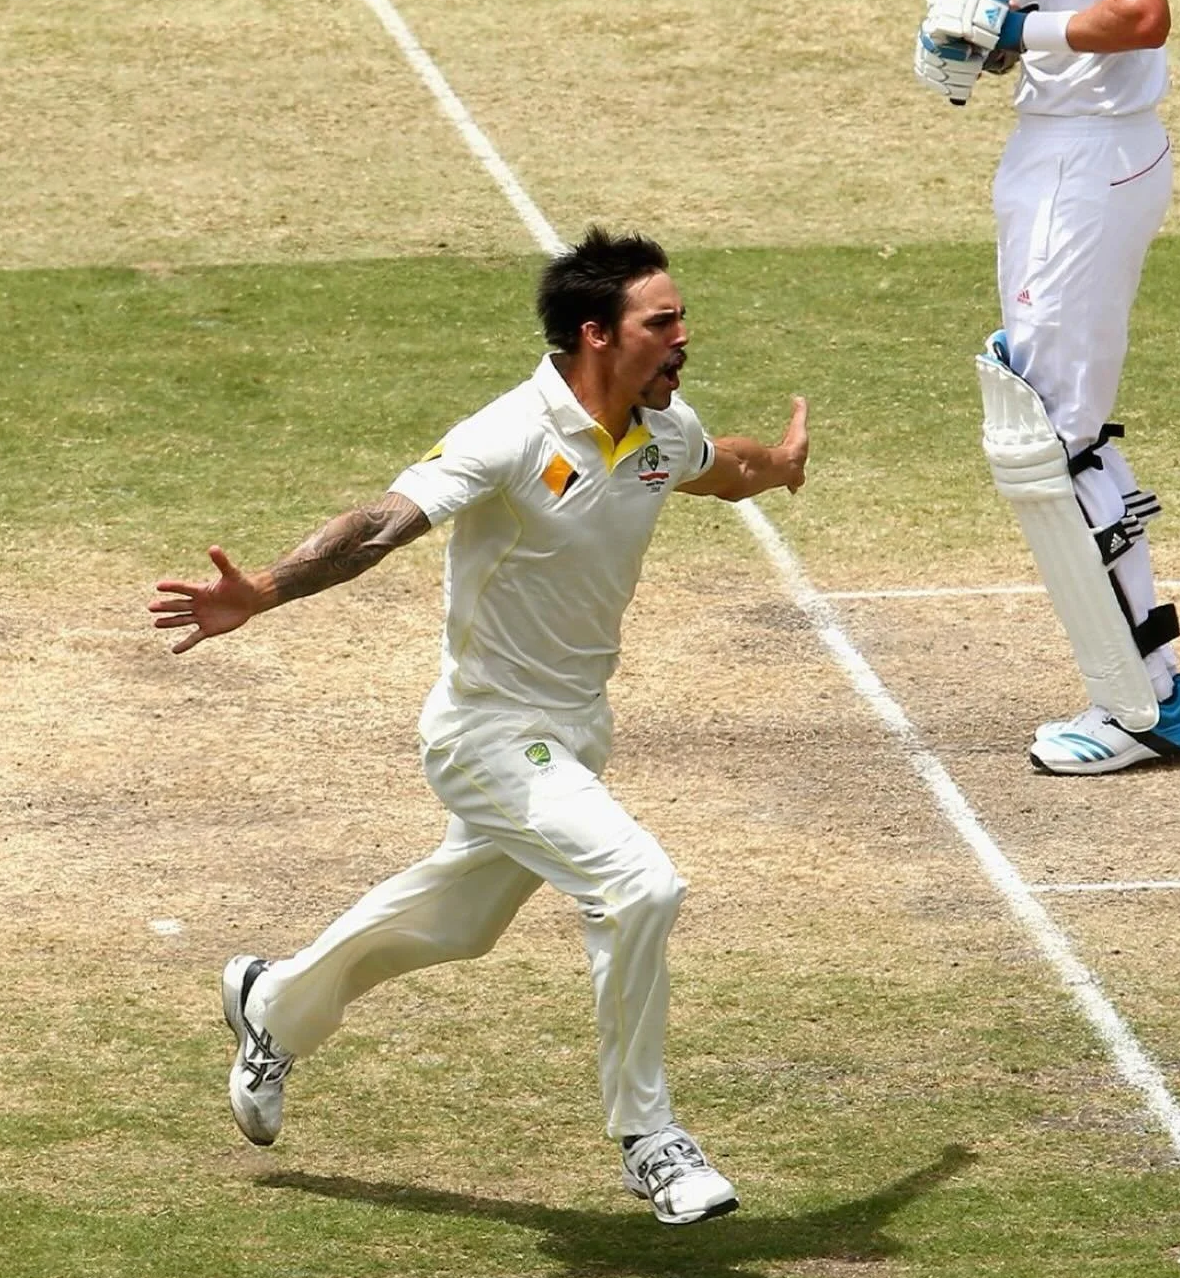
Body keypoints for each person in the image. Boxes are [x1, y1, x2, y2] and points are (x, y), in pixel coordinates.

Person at [148, 228, 809, 1226]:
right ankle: (649, 1138)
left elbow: (721, 466)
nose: (684, 336)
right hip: (488, 734)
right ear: (595, 333)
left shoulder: (660, 431)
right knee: (639, 884)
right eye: (662, 321)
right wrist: (270, 589)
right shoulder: (508, 434)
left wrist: (781, 466)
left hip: (575, 734)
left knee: (456, 923)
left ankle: (271, 1001)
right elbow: (379, 524)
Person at [895, 0, 1180, 774]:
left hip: (1091, 165)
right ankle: (1149, 680)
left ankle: (1139, 705)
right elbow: (1063, 1)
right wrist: (991, 33)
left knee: (1050, 433)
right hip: (1054, 154)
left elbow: (1140, 9)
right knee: (1054, 422)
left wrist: (1021, 28)